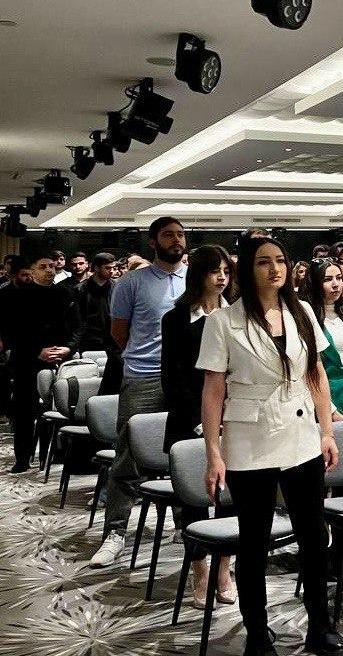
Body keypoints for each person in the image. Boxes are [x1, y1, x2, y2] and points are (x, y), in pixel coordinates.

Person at [198, 236, 343, 656]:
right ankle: (257, 631)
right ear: (248, 269)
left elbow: (316, 372)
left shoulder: (302, 312)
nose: (275, 269)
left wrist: (327, 430)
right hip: (249, 437)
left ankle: (320, 626)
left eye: (280, 260)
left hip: (302, 435)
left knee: (313, 537)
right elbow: (213, 390)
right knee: (254, 541)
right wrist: (213, 452)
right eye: (264, 262)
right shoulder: (222, 322)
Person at [91, 217, 188, 568]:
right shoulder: (131, 282)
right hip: (144, 375)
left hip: (185, 379)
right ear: (153, 242)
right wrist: (144, 356)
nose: (176, 240)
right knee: (128, 455)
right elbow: (119, 333)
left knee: (184, 452)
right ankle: (115, 532)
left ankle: (186, 525)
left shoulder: (196, 278)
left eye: (180, 235)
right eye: (168, 235)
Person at [160, 245, 235, 608]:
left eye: (226, 271)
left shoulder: (237, 314)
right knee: (194, 503)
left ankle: (224, 568)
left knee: (230, 500)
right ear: (198, 275)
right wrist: (201, 423)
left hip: (234, 418)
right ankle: (199, 568)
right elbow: (172, 378)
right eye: (213, 271)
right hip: (189, 420)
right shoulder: (176, 318)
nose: (221, 278)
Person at [0, 251, 82, 473]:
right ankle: (23, 457)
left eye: (52, 266)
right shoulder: (16, 296)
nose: (49, 270)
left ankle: (51, 455)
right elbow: (10, 332)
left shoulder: (66, 292)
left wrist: (69, 348)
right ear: (32, 271)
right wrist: (38, 351)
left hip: (60, 357)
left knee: (56, 408)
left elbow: (78, 326)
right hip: (27, 359)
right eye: (43, 266)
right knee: (24, 411)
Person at [301, 260, 343, 423]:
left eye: (339, 278)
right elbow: (307, 373)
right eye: (327, 279)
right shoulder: (305, 322)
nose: (336, 284)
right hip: (320, 407)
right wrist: (331, 412)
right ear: (314, 284)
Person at [76, 252, 123, 393]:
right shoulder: (80, 289)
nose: (112, 271)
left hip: (112, 340)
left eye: (113, 268)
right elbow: (78, 319)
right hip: (89, 340)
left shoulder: (117, 287)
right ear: (96, 268)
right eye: (107, 268)